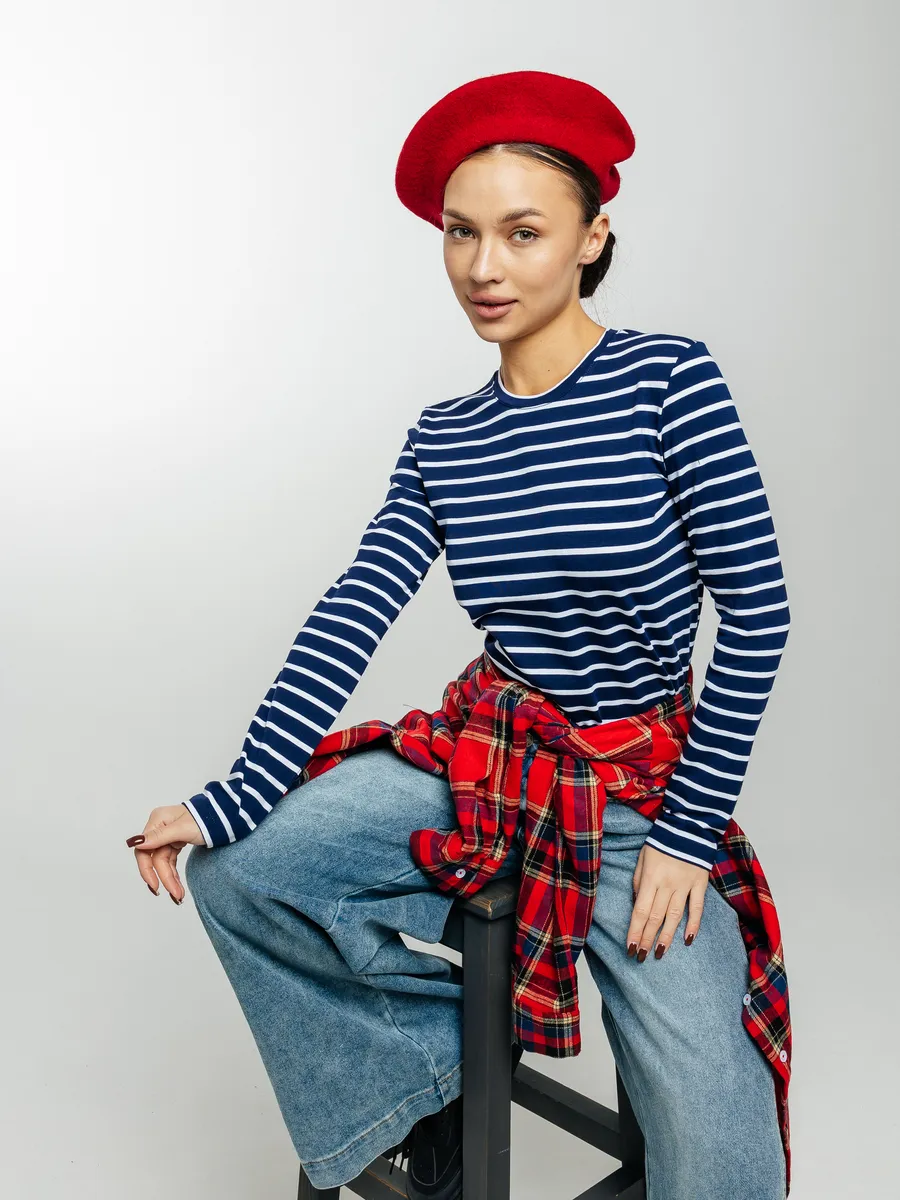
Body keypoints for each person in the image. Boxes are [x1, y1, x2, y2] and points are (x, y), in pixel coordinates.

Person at [125, 71, 791, 1200]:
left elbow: (759, 615)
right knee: (241, 873)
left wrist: (687, 836)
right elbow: (354, 608)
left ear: (591, 238)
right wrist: (227, 796)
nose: (485, 266)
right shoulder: (445, 437)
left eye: (523, 233)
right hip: (487, 761)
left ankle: (461, 1064)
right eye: (461, 233)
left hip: (642, 800)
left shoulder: (670, 381)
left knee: (728, 1175)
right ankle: (431, 1089)